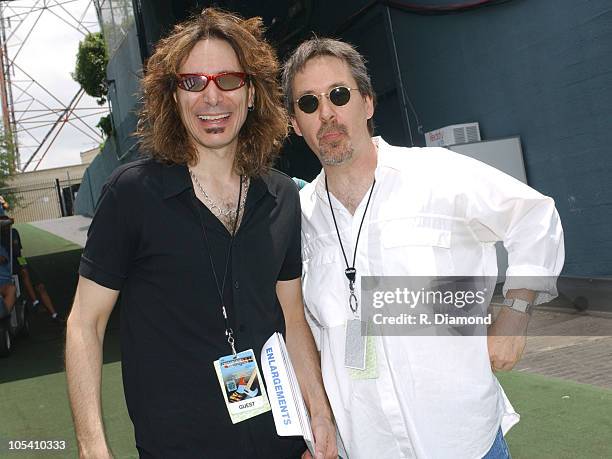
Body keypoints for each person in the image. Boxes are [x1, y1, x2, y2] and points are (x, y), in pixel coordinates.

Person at [66, 9, 336, 459]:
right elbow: (84, 323)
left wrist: (320, 415)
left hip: (281, 446)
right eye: (194, 82)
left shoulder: (282, 196)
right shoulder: (133, 195)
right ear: (173, 97)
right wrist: (93, 448)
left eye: (228, 80)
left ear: (251, 94)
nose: (212, 97)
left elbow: (292, 319)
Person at [282, 38, 564, 458]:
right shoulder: (299, 219)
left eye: (339, 95)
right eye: (309, 103)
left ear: (368, 103)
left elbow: (534, 216)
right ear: (294, 123)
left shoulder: (436, 174)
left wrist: (516, 312)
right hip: (366, 445)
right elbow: (306, 332)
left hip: (463, 440)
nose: (327, 113)